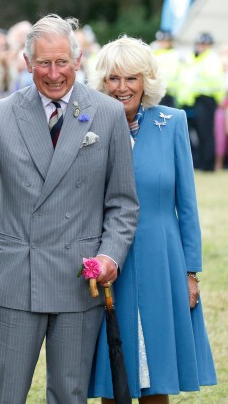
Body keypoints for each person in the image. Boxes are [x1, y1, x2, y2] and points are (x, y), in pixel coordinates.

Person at [0, 14, 139, 404]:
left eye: (62, 62)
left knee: (69, 395)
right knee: (3, 395)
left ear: (78, 60)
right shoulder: (2, 113)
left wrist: (110, 255)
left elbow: (123, 205)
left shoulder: (108, 115)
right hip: (14, 280)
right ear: (26, 63)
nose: (54, 73)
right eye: (44, 63)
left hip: (79, 278)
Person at [88, 36, 217, 402]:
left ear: (146, 81)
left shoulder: (171, 122)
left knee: (157, 370)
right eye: (114, 78)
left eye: (132, 78)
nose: (122, 87)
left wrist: (190, 273)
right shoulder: (89, 128)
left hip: (163, 260)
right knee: (113, 370)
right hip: (111, 260)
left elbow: (187, 205)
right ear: (103, 82)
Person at [179, 32, 225, 172]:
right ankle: (197, 162)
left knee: (205, 133)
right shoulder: (192, 58)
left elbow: (215, 82)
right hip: (190, 100)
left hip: (206, 99)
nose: (202, 46)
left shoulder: (211, 59)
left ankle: (208, 165)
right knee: (189, 133)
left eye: (205, 44)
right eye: (200, 43)